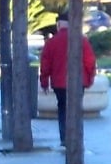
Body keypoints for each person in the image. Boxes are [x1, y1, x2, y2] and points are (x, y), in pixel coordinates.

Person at [38, 12, 96, 147]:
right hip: (79, 81)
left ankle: (64, 137)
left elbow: (45, 64)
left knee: (63, 109)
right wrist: (90, 78)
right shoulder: (82, 40)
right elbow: (90, 61)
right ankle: (76, 136)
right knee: (76, 109)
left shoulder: (51, 42)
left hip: (59, 83)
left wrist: (44, 82)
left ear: (58, 25)